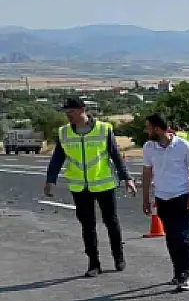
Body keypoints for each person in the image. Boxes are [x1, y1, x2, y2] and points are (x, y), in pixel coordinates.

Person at [44, 98, 137, 277]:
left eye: (71, 112)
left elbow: (115, 155)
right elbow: (57, 158)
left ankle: (118, 256)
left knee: (111, 222)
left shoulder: (103, 129)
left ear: (82, 110)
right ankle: (94, 263)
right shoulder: (64, 132)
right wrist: (50, 180)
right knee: (87, 225)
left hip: (104, 183)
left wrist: (127, 178)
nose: (68, 116)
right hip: (80, 186)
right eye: (66, 113)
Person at [141, 113, 189, 291]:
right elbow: (147, 172)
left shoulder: (183, 146)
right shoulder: (149, 147)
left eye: (148, 127)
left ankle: (185, 274)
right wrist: (146, 198)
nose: (146, 130)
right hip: (162, 197)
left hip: (181, 196)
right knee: (171, 237)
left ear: (157, 128)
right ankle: (177, 272)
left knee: (182, 237)